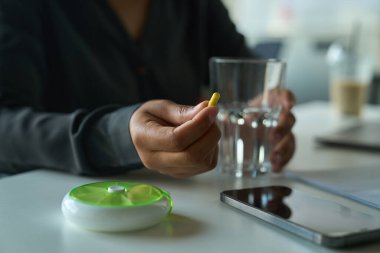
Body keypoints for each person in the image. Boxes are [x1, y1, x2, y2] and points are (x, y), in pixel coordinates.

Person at [0, 0, 295, 178]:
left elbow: (246, 73)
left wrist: (268, 109)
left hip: (188, 213)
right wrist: (115, 137)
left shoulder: (196, 6)